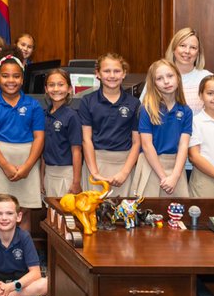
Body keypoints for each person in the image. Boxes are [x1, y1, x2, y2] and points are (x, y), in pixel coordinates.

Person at [0, 54, 45, 222]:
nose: (11, 80)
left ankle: (23, 242)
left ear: (22, 79)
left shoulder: (33, 105)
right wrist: (5, 165)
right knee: (0, 211)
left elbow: (39, 137)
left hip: (27, 161)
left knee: (24, 212)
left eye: (16, 76)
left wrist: (27, 166)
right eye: (5, 76)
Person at [78, 52, 141, 198]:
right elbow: (86, 139)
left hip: (124, 165)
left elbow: (136, 142)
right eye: (107, 71)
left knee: (123, 209)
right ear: (98, 74)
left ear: (124, 73)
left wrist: (124, 172)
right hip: (95, 162)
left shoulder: (134, 103)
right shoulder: (88, 101)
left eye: (117, 71)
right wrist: (95, 173)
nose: (112, 75)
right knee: (93, 208)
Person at [134, 60, 193, 197]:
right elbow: (147, 145)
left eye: (170, 76)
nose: (166, 81)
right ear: (153, 83)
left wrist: (174, 177)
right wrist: (163, 177)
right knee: (148, 207)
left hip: (175, 168)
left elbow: (183, 145)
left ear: (178, 78)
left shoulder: (186, 111)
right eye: (159, 78)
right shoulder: (147, 109)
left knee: (178, 207)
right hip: (151, 164)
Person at [144, 27, 214, 112]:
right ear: (173, 49)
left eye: (193, 47)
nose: (187, 51)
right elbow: (145, 107)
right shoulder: (158, 75)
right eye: (182, 45)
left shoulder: (208, 78)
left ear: (198, 53)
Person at [41, 69, 83, 197]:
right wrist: (41, 177)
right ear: (46, 89)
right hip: (49, 173)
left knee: (65, 208)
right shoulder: (44, 115)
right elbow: (43, 150)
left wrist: (76, 182)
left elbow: (76, 151)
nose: (56, 89)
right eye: (51, 85)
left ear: (69, 89)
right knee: (51, 208)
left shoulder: (72, 116)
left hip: (67, 173)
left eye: (60, 84)